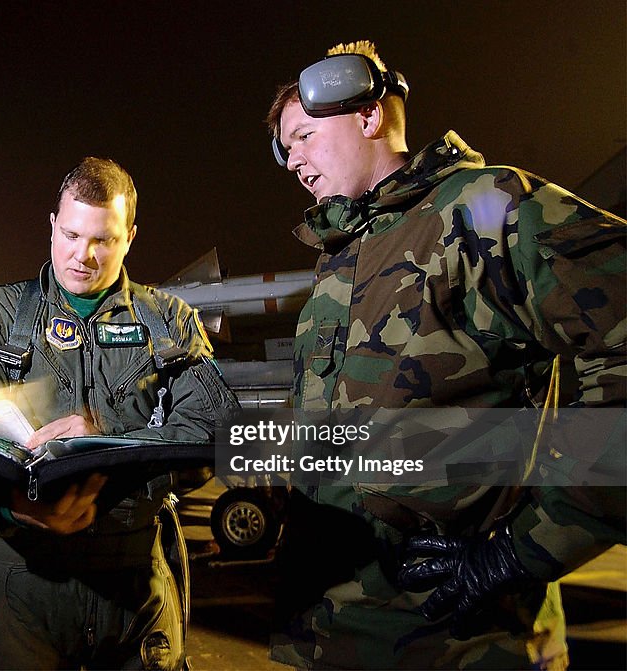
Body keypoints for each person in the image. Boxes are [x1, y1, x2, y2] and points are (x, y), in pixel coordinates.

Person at [264, 41, 625, 669]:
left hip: (457, 637)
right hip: (328, 628)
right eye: (284, 148)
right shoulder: (343, 256)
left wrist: (526, 549)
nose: (291, 159)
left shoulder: (485, 210)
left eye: (301, 135)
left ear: (369, 116)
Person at [0, 156, 239, 670]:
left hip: (135, 583)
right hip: (21, 579)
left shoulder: (169, 322)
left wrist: (109, 436)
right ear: (53, 224)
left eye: (103, 240)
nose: (83, 256)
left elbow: (218, 428)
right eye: (71, 235)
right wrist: (13, 507)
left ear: (130, 237)